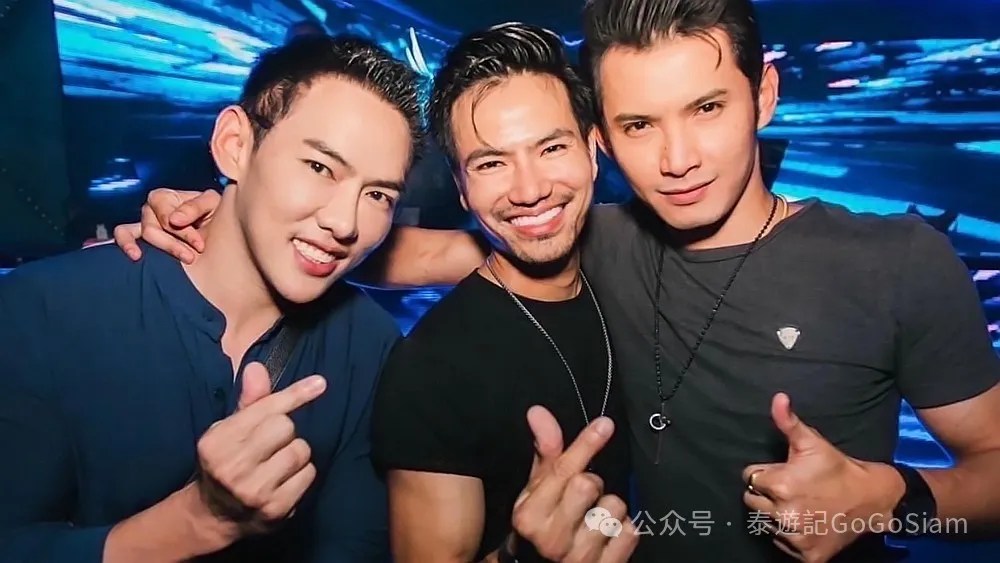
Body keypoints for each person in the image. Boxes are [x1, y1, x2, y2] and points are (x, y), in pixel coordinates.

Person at [112, 0, 1000, 561]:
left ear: (764, 96)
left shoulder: (896, 262)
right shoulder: (592, 243)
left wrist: (896, 498)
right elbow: (389, 246)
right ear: (605, 141)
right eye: (640, 124)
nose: (679, 158)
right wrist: (225, 212)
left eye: (707, 108)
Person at [0, 35, 423, 562]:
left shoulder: (370, 346)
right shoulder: (44, 309)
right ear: (235, 145)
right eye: (319, 167)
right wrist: (199, 520)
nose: (344, 222)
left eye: (378, 195)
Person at [369, 23, 635, 563]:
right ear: (461, 187)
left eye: (551, 147)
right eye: (491, 163)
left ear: (592, 150)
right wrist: (521, 553)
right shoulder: (433, 367)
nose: (530, 190)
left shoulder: (629, 269)